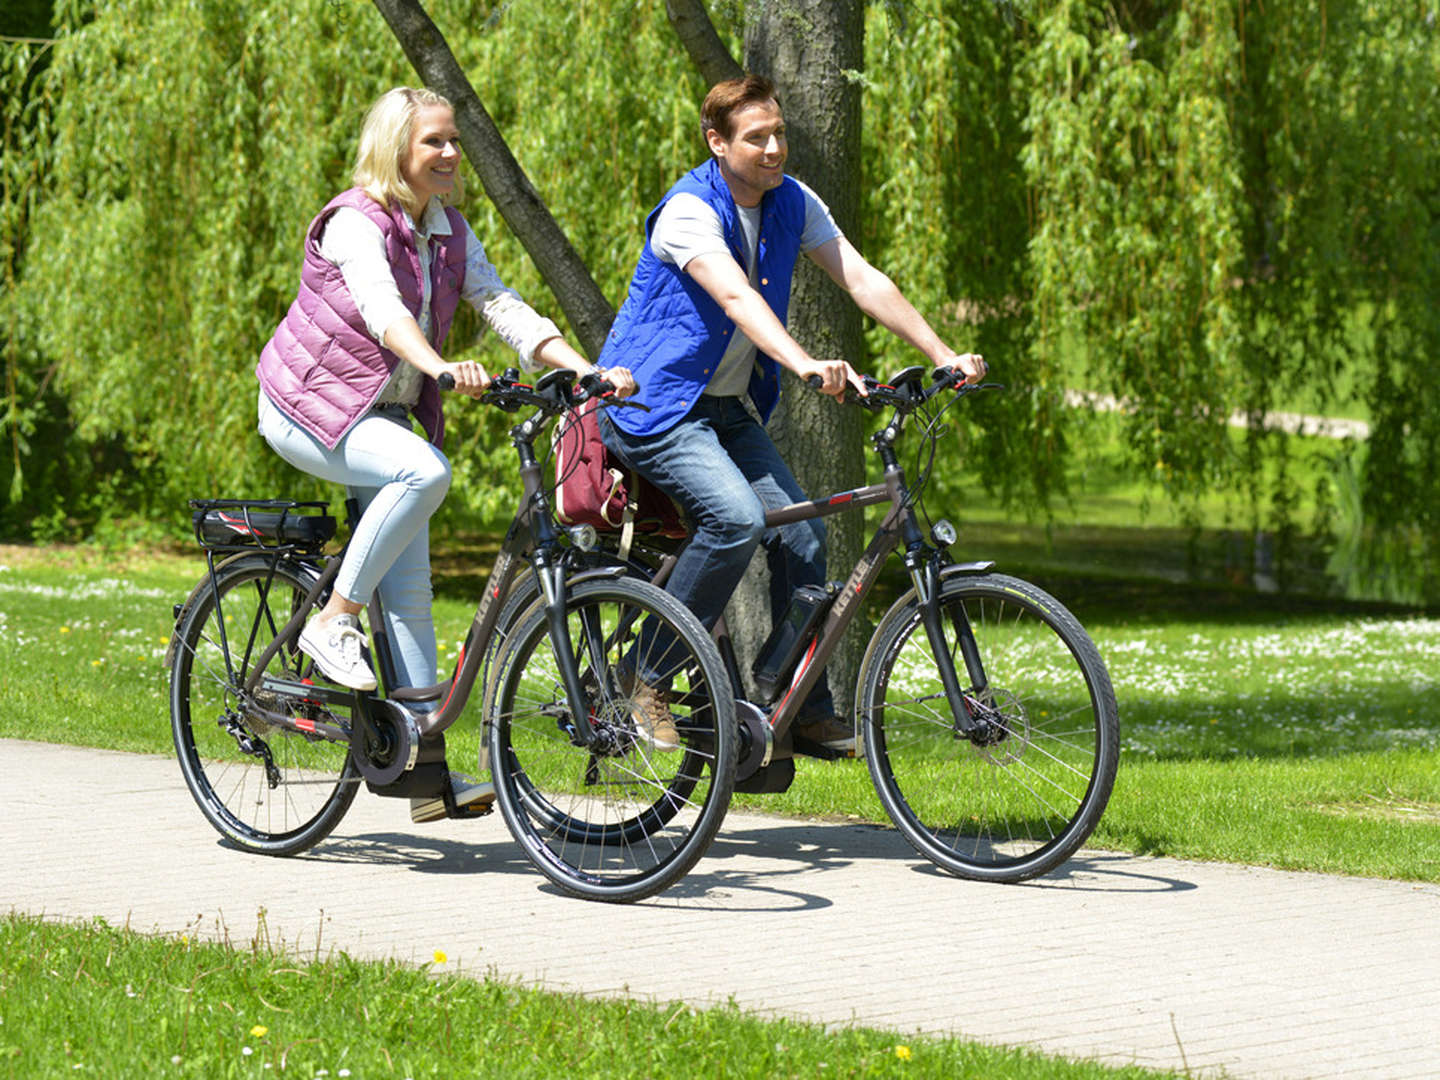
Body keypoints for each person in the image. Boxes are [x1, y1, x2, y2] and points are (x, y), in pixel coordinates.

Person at [597, 74, 984, 756]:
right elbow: (737, 297)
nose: (775, 148)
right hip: (652, 406)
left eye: (780, 133)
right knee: (736, 519)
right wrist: (805, 365)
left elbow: (862, 279)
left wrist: (943, 352)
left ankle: (799, 707)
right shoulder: (690, 209)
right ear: (716, 142)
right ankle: (644, 674)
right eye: (757, 138)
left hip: (721, 408)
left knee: (803, 539)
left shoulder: (791, 201)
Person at [255, 87, 633, 727]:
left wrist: (582, 367)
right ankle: (334, 618)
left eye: (454, 139)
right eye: (435, 141)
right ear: (395, 148)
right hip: (306, 408)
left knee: (410, 596)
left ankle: (420, 757)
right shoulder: (355, 222)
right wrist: (439, 367)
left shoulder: (448, 229)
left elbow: (500, 304)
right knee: (425, 471)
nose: (453, 152)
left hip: (382, 413)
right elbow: (383, 312)